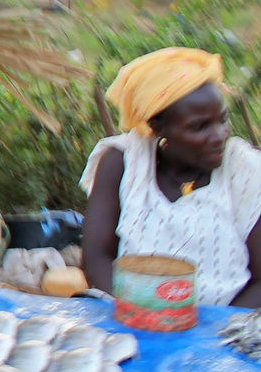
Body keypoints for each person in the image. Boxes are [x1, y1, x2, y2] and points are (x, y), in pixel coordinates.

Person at [81, 47, 261, 307]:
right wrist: (139, 315)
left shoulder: (244, 169)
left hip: (223, 334)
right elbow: (96, 258)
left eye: (222, 120)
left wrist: (211, 336)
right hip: (134, 323)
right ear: (158, 128)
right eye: (200, 127)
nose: (219, 135)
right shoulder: (123, 162)